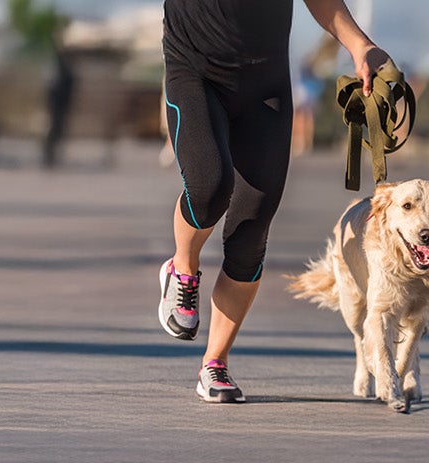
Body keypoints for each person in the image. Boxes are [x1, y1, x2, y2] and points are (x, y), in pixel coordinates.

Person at [158, 0, 392, 403]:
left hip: (264, 86)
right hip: (194, 72)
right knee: (211, 187)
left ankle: (215, 363)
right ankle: (183, 267)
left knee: (252, 227)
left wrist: (358, 45)